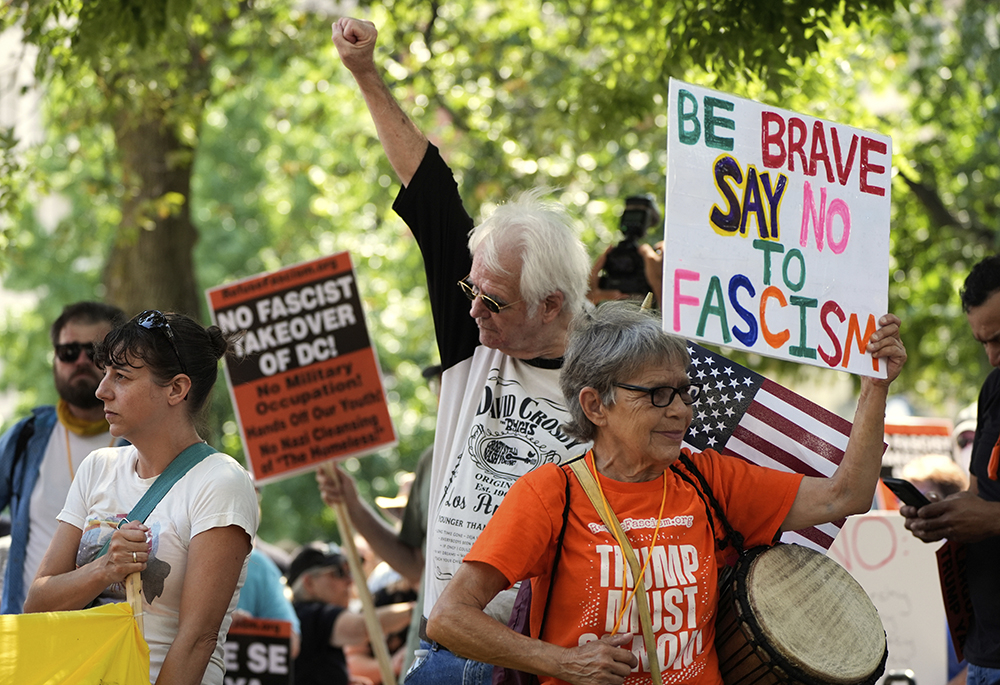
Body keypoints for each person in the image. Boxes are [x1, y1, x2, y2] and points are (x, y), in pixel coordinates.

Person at [425, 302, 906, 685]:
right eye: (658, 394)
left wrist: (874, 389)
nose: (681, 412)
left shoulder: (708, 478)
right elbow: (448, 619)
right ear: (595, 405)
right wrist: (561, 663)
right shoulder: (553, 492)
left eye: (684, 392)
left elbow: (845, 497)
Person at [332, 18, 600, 684]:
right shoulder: (471, 337)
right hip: (446, 649)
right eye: (470, 292)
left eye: (495, 301)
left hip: (548, 657)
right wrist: (365, 73)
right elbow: (431, 191)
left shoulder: (615, 377)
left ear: (552, 306)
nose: (473, 311)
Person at [23, 309, 259, 685]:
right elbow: (36, 604)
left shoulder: (220, 480)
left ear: (177, 389)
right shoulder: (97, 466)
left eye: (121, 377)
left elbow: (198, 639)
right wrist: (105, 569)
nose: (102, 389)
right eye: (106, 374)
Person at [902, 254, 1000, 685]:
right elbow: (980, 496)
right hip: (986, 649)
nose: (993, 356)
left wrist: (992, 520)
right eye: (983, 342)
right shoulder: (994, 389)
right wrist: (942, 513)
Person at [0, 300, 125, 614]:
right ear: (55, 358)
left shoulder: (142, 443)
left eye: (95, 352)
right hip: (26, 633)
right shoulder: (26, 438)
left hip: (107, 639)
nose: (81, 361)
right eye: (69, 352)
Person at [289, 541, 414, 685]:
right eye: (339, 573)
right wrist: (415, 611)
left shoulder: (307, 616)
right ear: (309, 583)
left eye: (349, 572)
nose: (350, 581)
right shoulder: (311, 614)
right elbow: (362, 627)